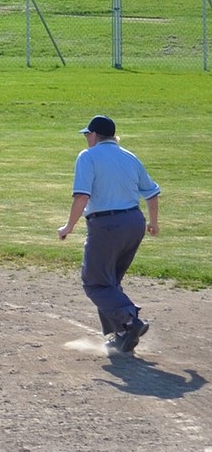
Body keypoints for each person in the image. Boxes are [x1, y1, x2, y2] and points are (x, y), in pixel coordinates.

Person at [57, 115, 161, 354]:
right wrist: (153, 223)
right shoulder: (129, 156)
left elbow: (81, 196)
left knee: (95, 283)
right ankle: (123, 335)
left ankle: (130, 320)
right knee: (109, 283)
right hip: (135, 222)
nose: (86, 139)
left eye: (87, 135)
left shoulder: (88, 157)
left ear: (94, 135)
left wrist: (68, 227)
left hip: (108, 226)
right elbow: (152, 193)